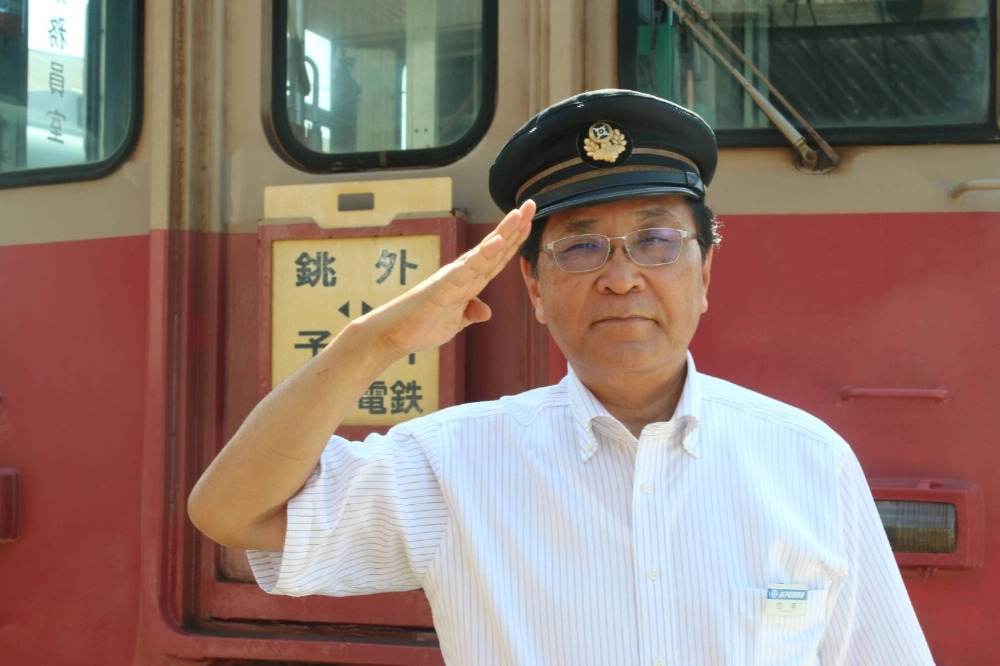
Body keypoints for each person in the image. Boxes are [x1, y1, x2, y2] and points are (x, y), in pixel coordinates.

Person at [188, 89, 934, 665]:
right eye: (581, 248)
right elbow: (229, 513)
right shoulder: (453, 465)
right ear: (536, 290)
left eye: (654, 240)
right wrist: (373, 342)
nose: (620, 279)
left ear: (705, 273)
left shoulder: (808, 461)